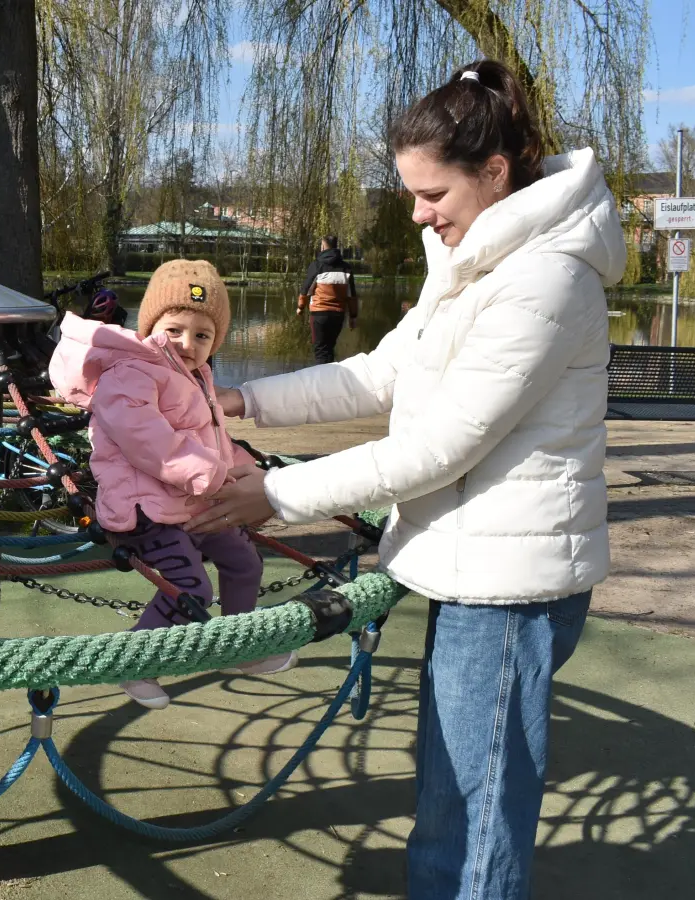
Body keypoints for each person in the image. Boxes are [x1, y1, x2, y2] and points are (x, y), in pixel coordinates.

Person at [190, 60, 624, 898]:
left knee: (473, 811)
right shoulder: (477, 259)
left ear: (495, 173)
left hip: (507, 585)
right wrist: (237, 397)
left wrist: (275, 494)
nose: (420, 214)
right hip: (475, 566)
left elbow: (442, 445)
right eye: (413, 194)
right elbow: (380, 376)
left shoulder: (546, 276)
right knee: (452, 792)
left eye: (434, 195)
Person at [50, 260, 295, 710]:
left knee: (244, 562)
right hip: (145, 509)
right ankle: (135, 660)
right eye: (176, 329)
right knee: (190, 587)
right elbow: (146, 438)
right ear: (152, 328)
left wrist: (238, 472)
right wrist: (209, 475)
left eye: (203, 335)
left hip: (187, 498)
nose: (188, 343)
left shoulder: (195, 377)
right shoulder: (132, 372)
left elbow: (214, 438)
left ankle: (236, 645)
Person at [297, 235, 359, 364]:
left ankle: (322, 380)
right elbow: (352, 295)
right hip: (338, 314)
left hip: (319, 313)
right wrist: (353, 317)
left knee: (320, 350)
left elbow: (306, 289)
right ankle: (330, 377)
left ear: (323, 247)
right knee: (329, 348)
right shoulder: (346, 268)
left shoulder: (317, 265)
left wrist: (300, 307)